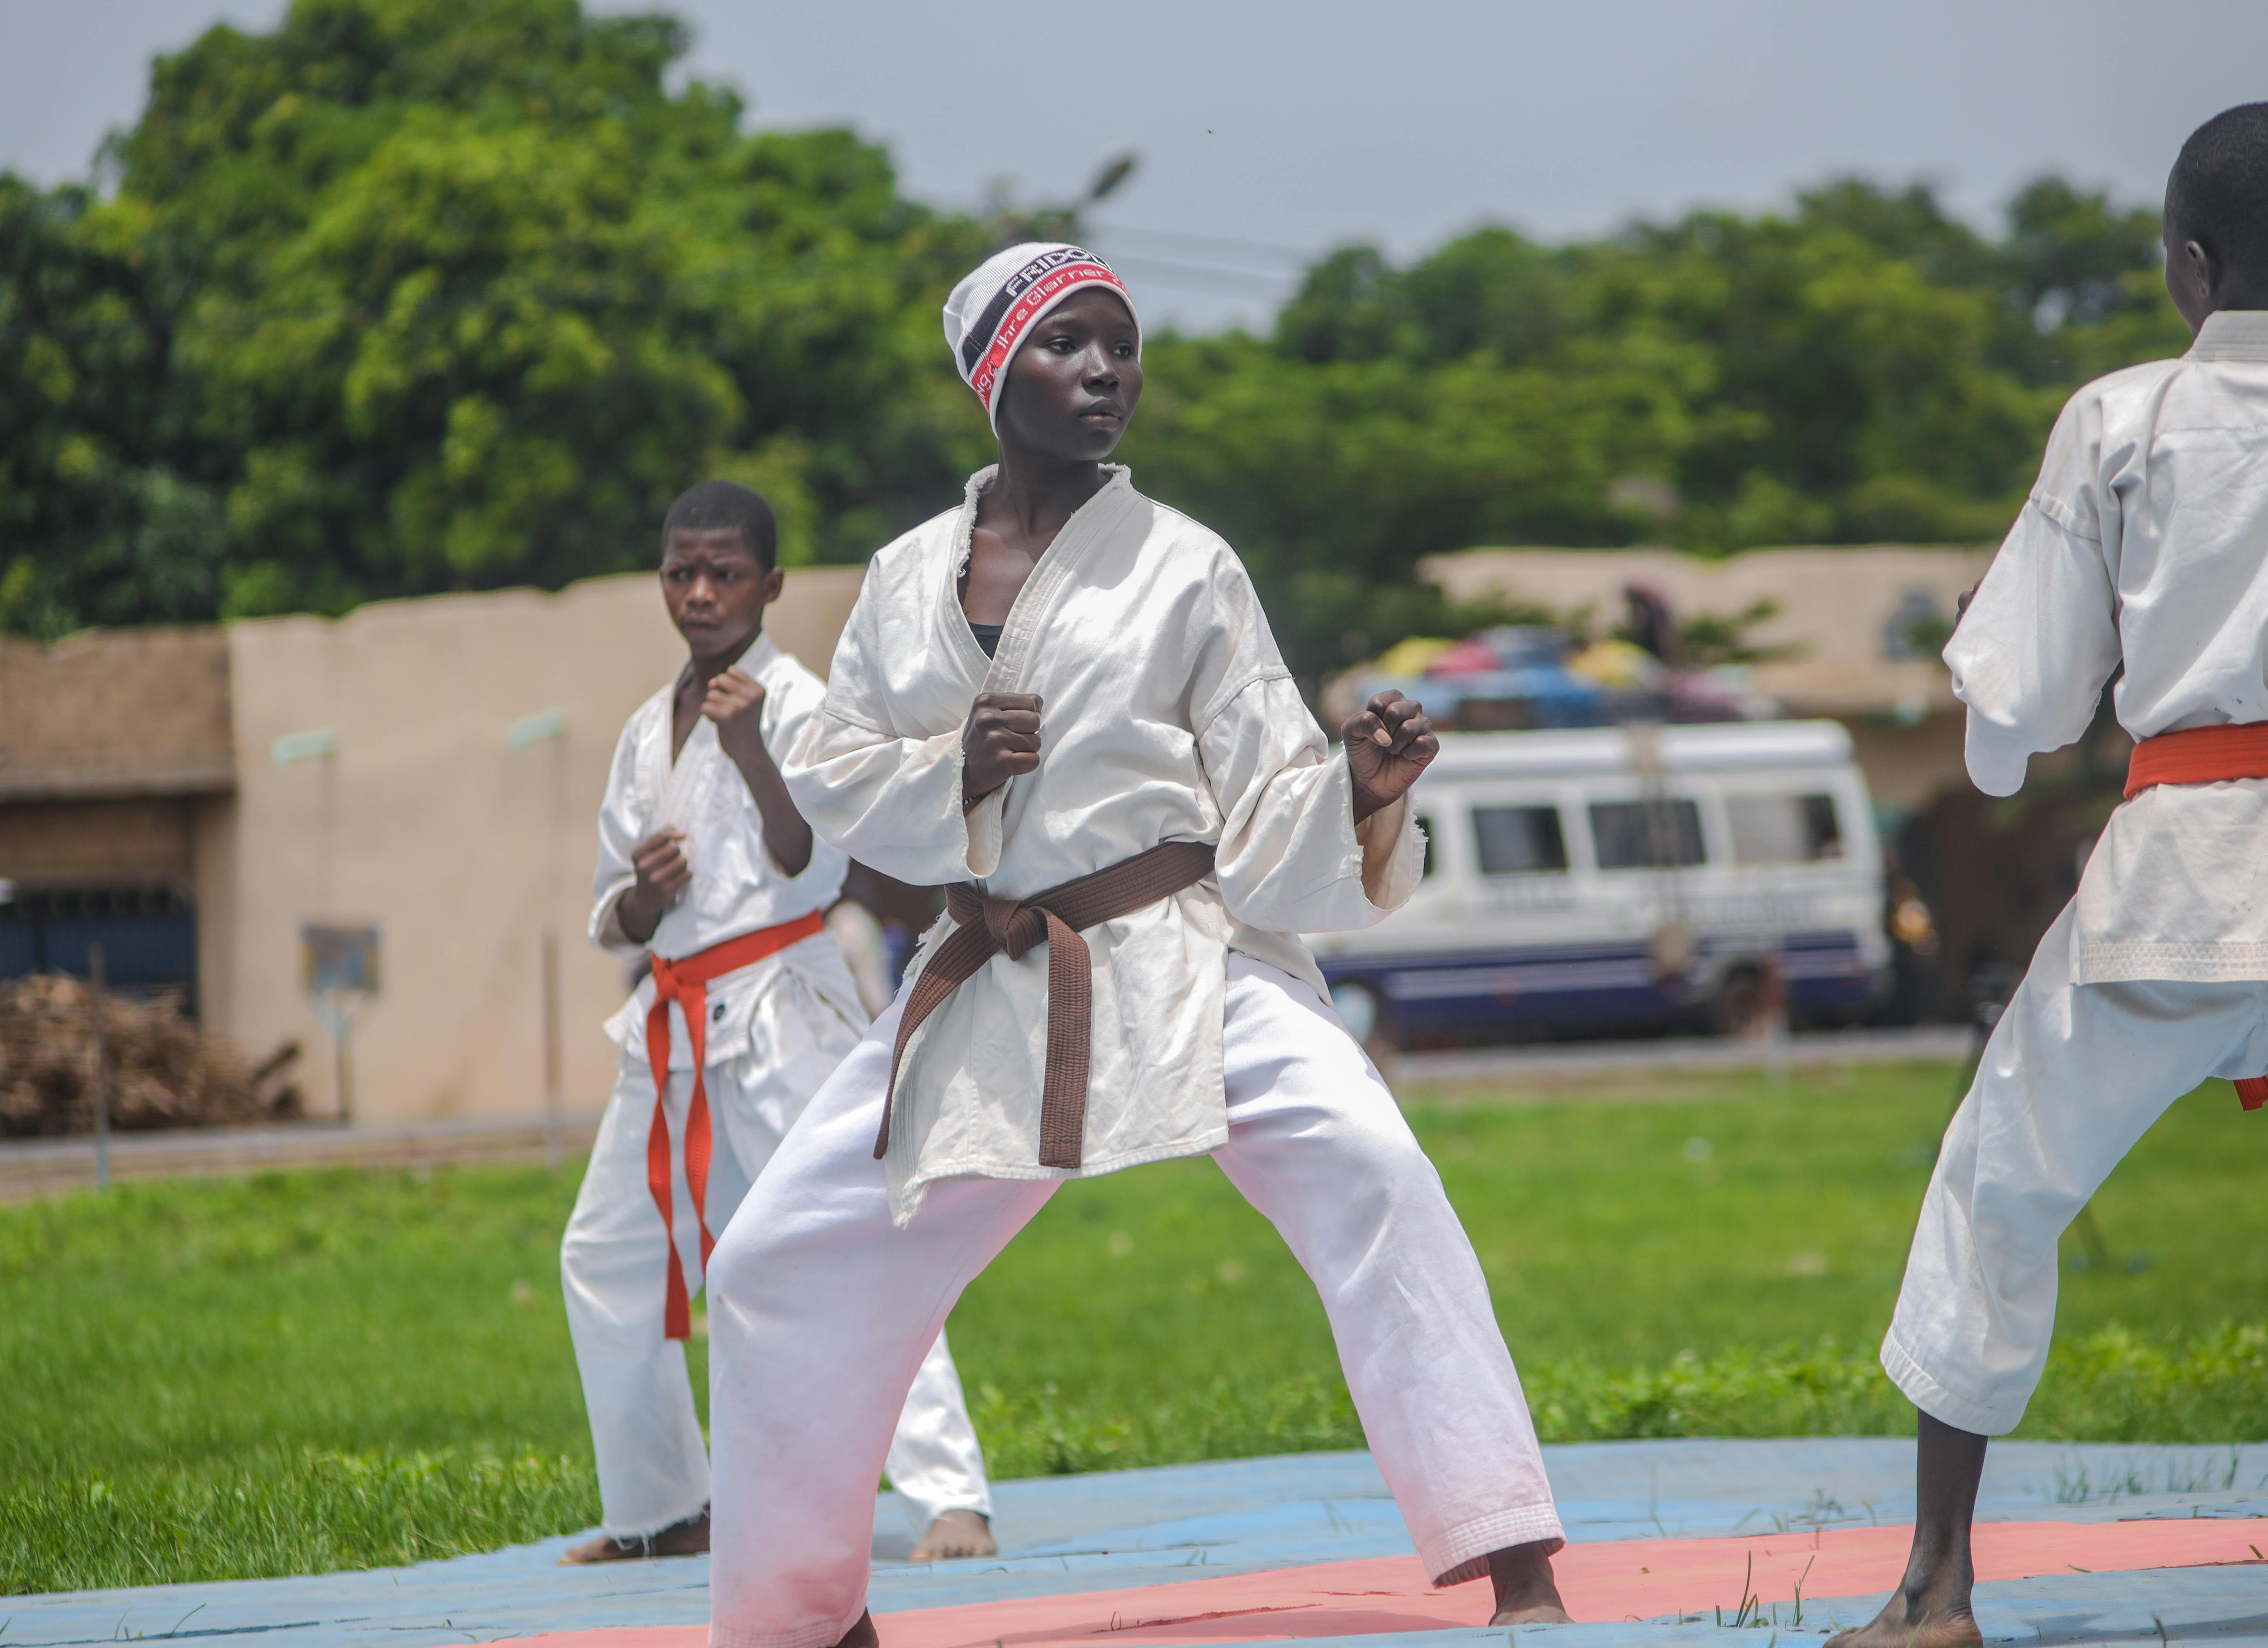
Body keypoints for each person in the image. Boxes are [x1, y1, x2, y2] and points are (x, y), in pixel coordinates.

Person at [707, 246, 1570, 1648]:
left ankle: (1511, 1549)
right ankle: (805, 1616)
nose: (1107, 371)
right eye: (1068, 346)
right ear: (993, 376)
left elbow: (1266, 781)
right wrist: (955, 773)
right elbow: (835, 774)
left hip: (1178, 954)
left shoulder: (1186, 565)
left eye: (1123, 345)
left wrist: (1357, 788)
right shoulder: (906, 575)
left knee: (1369, 1157)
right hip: (991, 972)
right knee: (773, 1260)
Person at [1831, 103, 2268, 1648]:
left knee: (1991, 1193)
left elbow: (2026, 713)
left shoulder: (2118, 422)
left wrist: (1988, 656)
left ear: (2187, 262)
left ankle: (1933, 1593)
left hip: (2163, 893)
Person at [555, 481, 996, 1566]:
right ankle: (665, 1507)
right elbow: (612, 913)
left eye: (725, 573)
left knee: (849, 1241)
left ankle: (952, 1497)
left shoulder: (801, 703)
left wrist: (753, 751)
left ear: (772, 585)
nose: (700, 594)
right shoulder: (638, 733)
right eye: (681, 573)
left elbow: (817, 866)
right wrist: (648, 900)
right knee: (609, 1251)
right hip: (670, 1019)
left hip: (782, 1007)